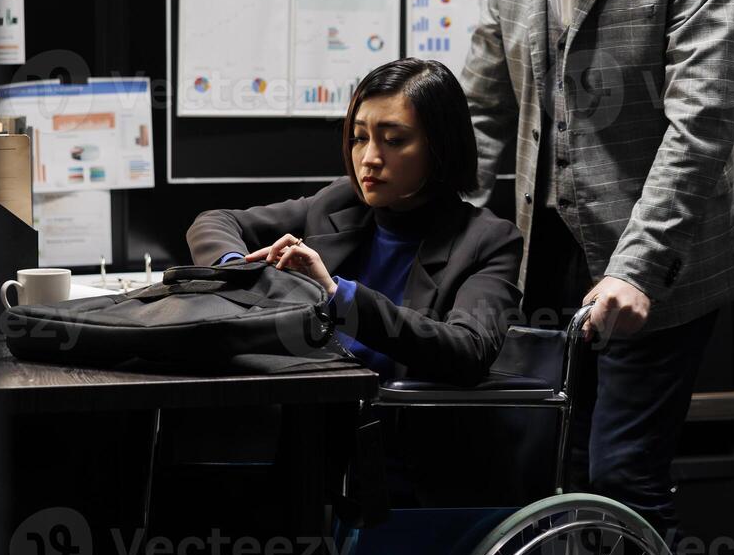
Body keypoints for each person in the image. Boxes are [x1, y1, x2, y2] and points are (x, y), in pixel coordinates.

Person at [460, 0, 734, 544]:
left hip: (653, 255)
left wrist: (636, 269)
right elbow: (489, 94)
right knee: (552, 464)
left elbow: (702, 122)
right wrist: (445, 227)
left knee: (623, 476)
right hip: (541, 245)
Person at [186, 57, 523, 385]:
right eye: (360, 138)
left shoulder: (488, 241)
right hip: (310, 411)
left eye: (394, 140)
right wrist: (237, 268)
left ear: (441, 147)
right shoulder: (340, 201)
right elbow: (215, 222)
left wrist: (338, 295)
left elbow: (468, 351)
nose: (370, 159)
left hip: (403, 429)